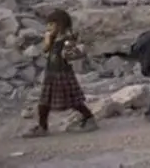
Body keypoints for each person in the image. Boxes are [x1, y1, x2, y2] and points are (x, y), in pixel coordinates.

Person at [23, 9, 97, 137]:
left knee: (74, 101)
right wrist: (48, 41)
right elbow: (45, 51)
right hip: (51, 74)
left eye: (51, 25)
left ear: (60, 24)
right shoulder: (54, 39)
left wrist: (67, 52)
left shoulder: (67, 40)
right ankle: (42, 126)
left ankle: (89, 118)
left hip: (62, 74)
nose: (48, 28)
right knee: (44, 102)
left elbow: (73, 55)